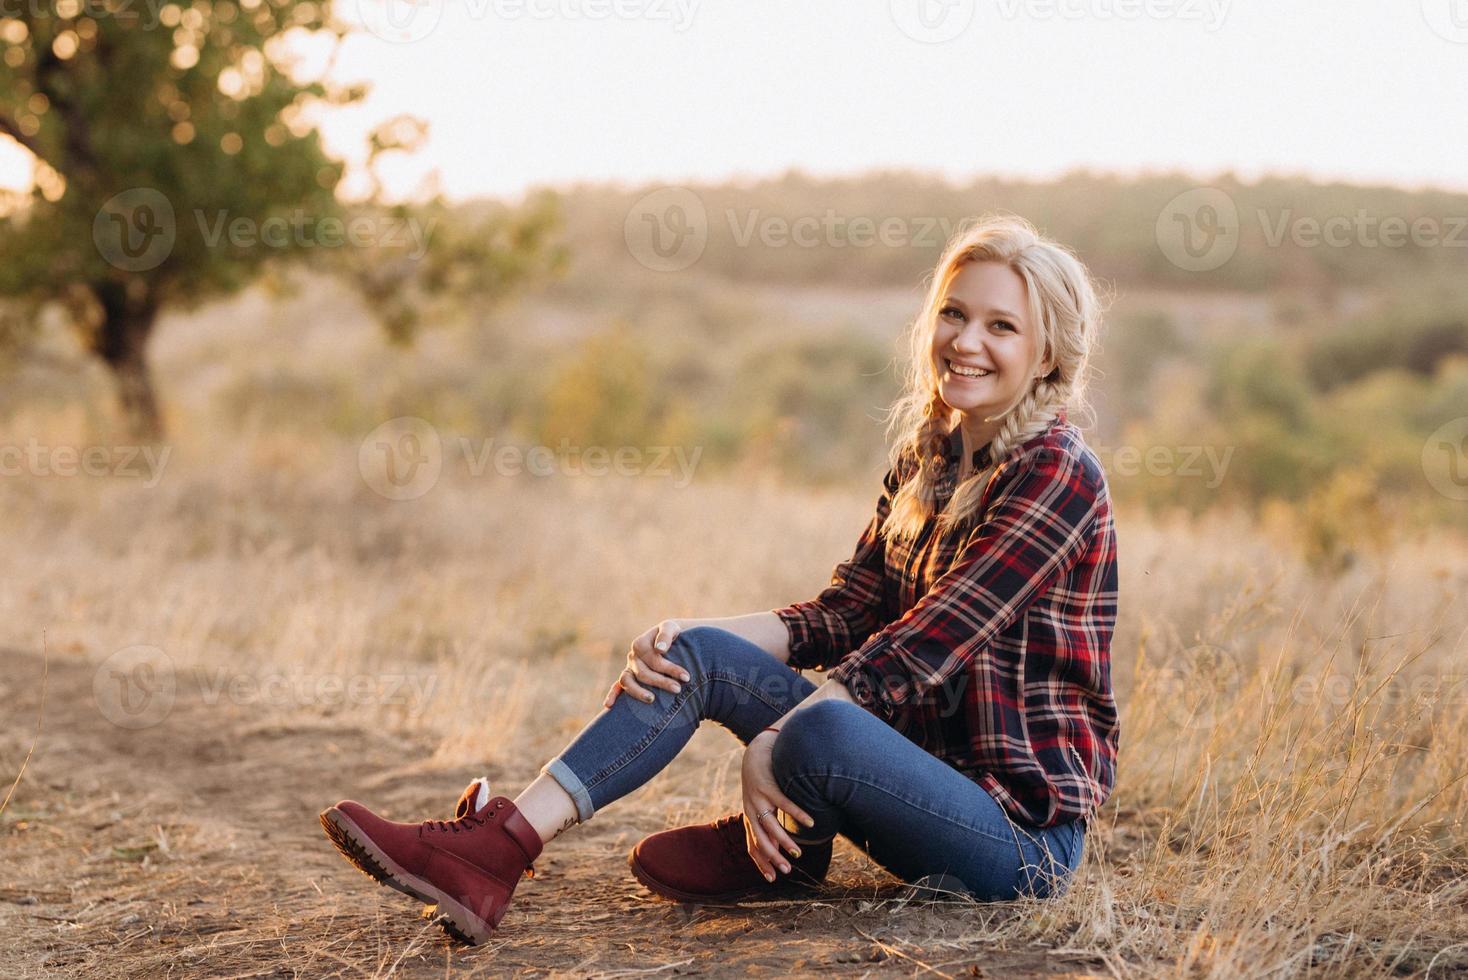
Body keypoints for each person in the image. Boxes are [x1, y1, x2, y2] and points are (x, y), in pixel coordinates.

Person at [319, 214, 1120, 946]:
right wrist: (688, 642)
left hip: (1014, 839)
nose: (966, 340)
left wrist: (770, 746)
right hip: (908, 782)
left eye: (1001, 326)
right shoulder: (930, 457)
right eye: (954, 313)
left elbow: (919, 647)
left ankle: (777, 841)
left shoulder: (1057, 472)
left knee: (824, 729)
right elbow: (846, 613)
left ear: (1046, 354)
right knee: (695, 651)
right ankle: (500, 848)